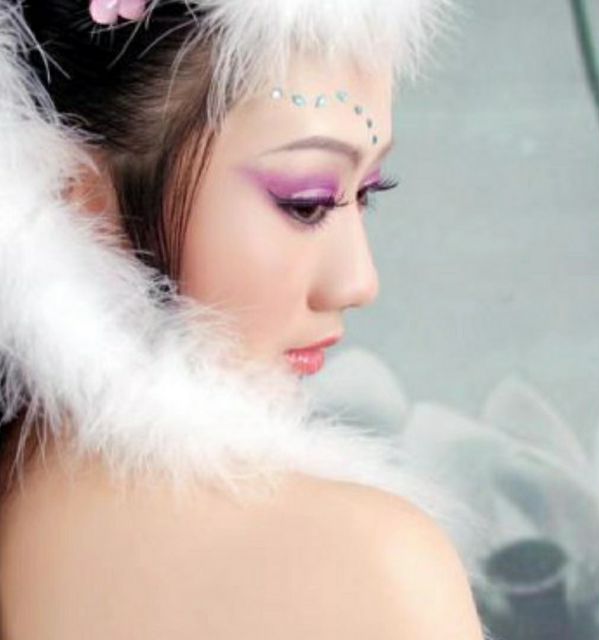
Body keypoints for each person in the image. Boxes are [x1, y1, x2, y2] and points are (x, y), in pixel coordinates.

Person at [0, 0, 489, 637]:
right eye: (307, 203)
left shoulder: (27, 522)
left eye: (367, 194)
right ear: (76, 199)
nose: (357, 281)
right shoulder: (373, 567)